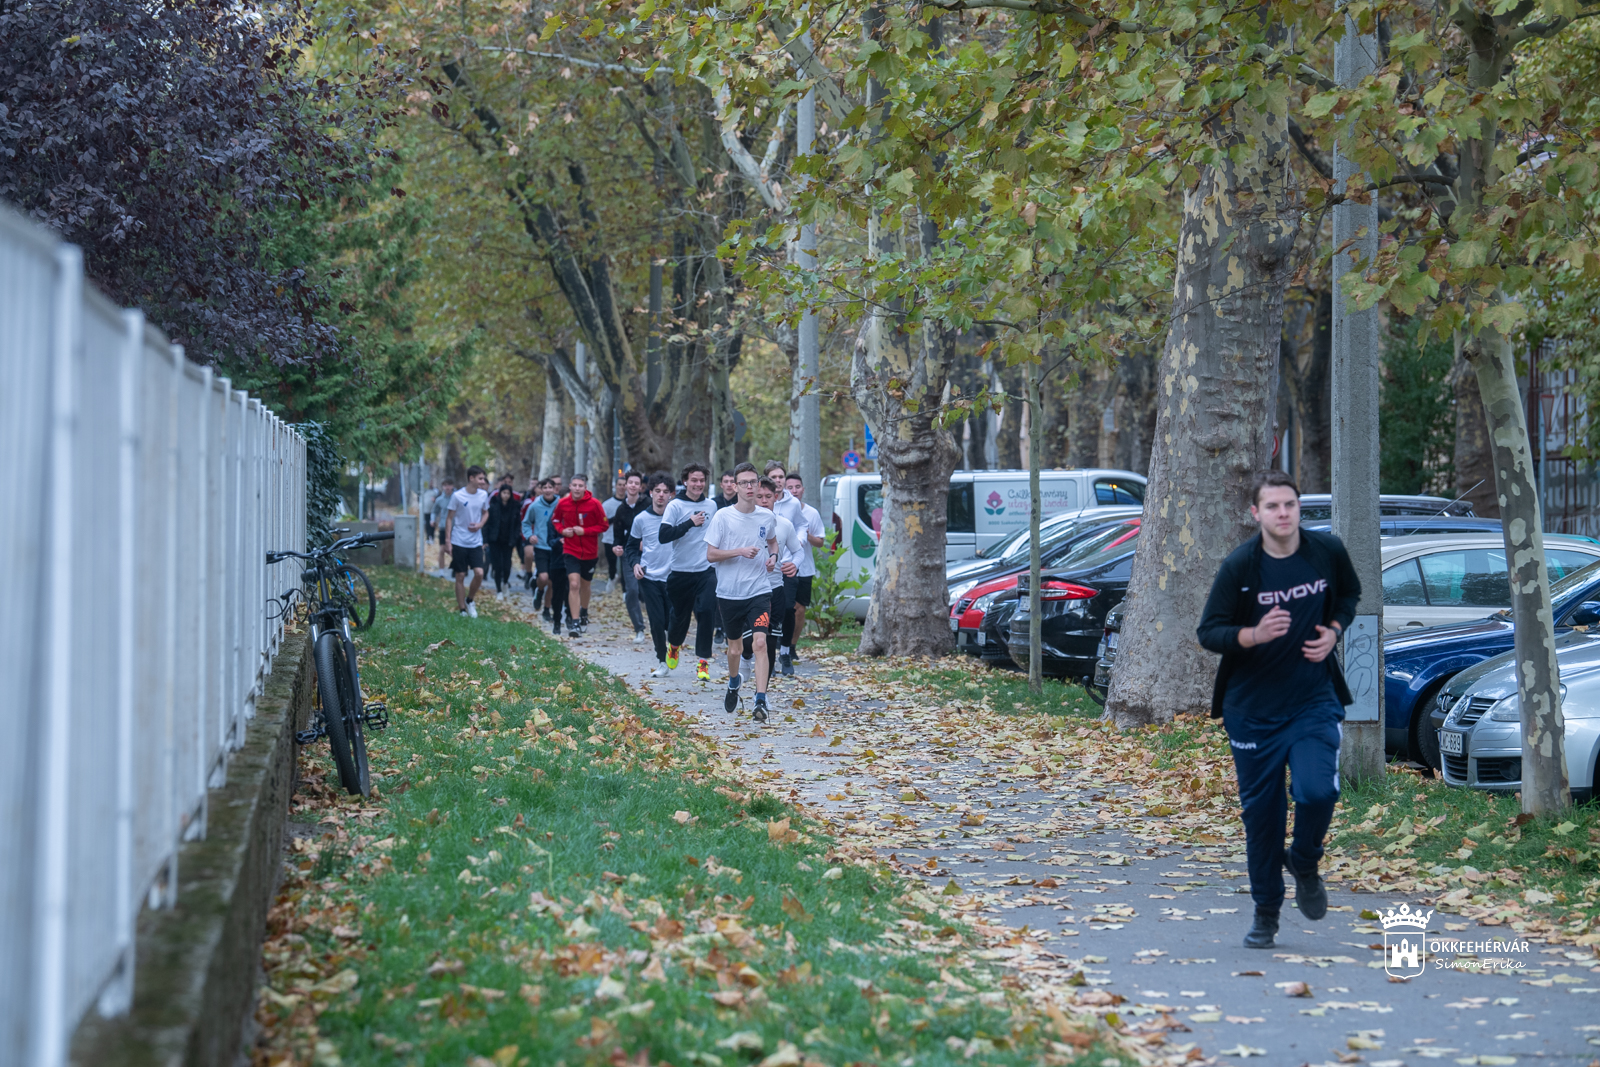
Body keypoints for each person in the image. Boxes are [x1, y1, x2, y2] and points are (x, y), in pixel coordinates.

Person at [1197, 469, 1360, 950]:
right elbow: (1210, 631)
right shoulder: (1241, 567)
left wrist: (1333, 629)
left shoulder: (1325, 552)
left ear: (1298, 507)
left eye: (1289, 504)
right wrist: (1252, 635)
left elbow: (1349, 595)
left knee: (1316, 793)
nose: (1283, 513)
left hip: (1313, 699)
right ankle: (1266, 912)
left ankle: (1305, 860)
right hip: (1252, 710)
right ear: (1256, 513)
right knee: (1262, 817)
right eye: (1272, 506)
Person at [705, 464, 780, 720]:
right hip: (728, 594)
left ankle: (761, 700)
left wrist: (773, 556)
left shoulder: (766, 517)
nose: (749, 487)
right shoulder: (722, 517)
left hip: (759, 591)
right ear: (734, 487)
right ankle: (734, 681)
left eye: (753, 482)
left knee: (760, 643)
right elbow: (710, 555)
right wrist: (739, 551)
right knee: (735, 649)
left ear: (759, 486)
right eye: (744, 483)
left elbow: (772, 540)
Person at [660, 463, 719, 681]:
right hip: (680, 571)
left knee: (706, 612)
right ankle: (674, 646)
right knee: (680, 618)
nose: (698, 484)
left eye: (701, 480)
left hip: (705, 570)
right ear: (685, 481)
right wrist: (689, 523)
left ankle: (703, 662)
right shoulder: (675, 506)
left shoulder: (711, 505)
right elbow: (664, 535)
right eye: (693, 480)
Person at [627, 472, 677, 674]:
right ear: (650, 492)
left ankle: (674, 646)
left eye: (666, 492)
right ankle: (662, 661)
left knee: (671, 622)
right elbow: (631, 547)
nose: (661, 495)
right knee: (656, 622)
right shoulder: (641, 519)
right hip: (649, 577)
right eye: (657, 491)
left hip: (674, 577)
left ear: (671, 495)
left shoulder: (677, 518)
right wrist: (635, 564)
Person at [754, 478, 802, 680]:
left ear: (775, 498)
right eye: (759, 497)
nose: (764, 501)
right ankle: (750, 662)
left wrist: (794, 564)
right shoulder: (742, 522)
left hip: (775, 586)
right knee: (754, 637)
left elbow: (798, 552)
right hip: (751, 588)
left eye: (768, 497)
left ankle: (768, 670)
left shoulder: (784, 524)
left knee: (772, 633)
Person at [552, 474, 610, 636]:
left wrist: (585, 531)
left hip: (590, 552)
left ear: (585, 488)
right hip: (571, 550)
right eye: (574, 485)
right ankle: (575, 622)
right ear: (569, 486)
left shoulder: (594, 504)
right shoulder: (563, 503)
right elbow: (555, 520)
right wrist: (562, 531)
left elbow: (604, 525)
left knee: (585, 585)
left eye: (580, 486)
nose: (577, 488)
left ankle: (584, 611)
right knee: (574, 584)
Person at [783, 472, 827, 664]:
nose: (794, 491)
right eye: (790, 487)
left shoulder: (811, 513)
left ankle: (792, 645)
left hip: (804, 568)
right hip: (782, 566)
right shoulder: (778, 510)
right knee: (784, 608)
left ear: (803, 489)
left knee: (799, 609)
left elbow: (820, 542)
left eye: (797, 487)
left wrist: (806, 535)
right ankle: (780, 643)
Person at [445, 467, 491, 616]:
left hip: (475, 542)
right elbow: (449, 518)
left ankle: (470, 600)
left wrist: (480, 524)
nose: (483, 482)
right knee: (460, 575)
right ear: (471, 478)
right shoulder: (458, 496)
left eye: (483, 479)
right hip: (459, 540)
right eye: (480, 478)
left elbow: (486, 513)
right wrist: (448, 541)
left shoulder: (483, 495)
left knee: (479, 573)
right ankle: (462, 609)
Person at [611, 471, 649, 642]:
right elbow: (617, 536)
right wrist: (616, 548)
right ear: (625, 485)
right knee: (632, 590)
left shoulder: (648, 504)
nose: (633, 486)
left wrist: (646, 544)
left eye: (636, 483)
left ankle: (662, 626)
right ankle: (639, 628)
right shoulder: (621, 509)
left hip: (651, 554)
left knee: (652, 591)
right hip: (629, 554)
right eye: (630, 482)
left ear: (641, 486)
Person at [523, 479, 560, 617]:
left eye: (551, 487)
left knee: (552, 581)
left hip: (556, 547)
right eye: (545, 487)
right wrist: (529, 536)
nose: (548, 490)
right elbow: (526, 523)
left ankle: (546, 609)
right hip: (541, 546)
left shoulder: (560, 504)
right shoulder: (535, 505)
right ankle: (539, 591)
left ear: (554, 489)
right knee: (543, 578)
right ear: (541, 489)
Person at [484, 483, 522, 597]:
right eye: (504, 493)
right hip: (495, 540)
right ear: (500, 493)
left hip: (508, 540)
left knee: (506, 565)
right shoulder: (494, 506)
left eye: (508, 493)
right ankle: (498, 590)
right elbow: (487, 523)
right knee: (497, 565)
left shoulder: (515, 507)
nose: (505, 495)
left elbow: (517, 524)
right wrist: (485, 540)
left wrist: (515, 537)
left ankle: (505, 582)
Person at [601, 474, 627, 586]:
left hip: (625, 539)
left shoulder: (629, 503)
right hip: (609, 538)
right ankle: (612, 577)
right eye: (619, 485)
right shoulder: (607, 504)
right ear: (615, 486)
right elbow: (602, 523)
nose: (621, 487)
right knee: (612, 564)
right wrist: (615, 519)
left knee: (625, 566)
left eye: (624, 485)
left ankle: (625, 589)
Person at [431, 479, 456, 570]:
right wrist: (432, 520)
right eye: (445, 485)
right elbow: (434, 511)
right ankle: (441, 571)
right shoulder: (439, 500)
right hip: (443, 527)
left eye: (449, 485)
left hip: (455, 527)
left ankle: (459, 566)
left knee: (454, 550)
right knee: (442, 549)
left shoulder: (457, 498)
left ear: (452, 486)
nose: (447, 488)